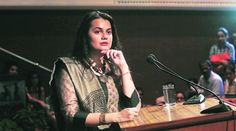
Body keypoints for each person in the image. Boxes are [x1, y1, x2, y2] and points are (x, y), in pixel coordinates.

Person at [49, 11, 141, 131]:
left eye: (109, 32)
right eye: (97, 32)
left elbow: (133, 105)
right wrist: (115, 116)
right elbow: (71, 115)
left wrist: (123, 66)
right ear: (85, 36)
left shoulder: (112, 67)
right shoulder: (68, 67)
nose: (105, 36)